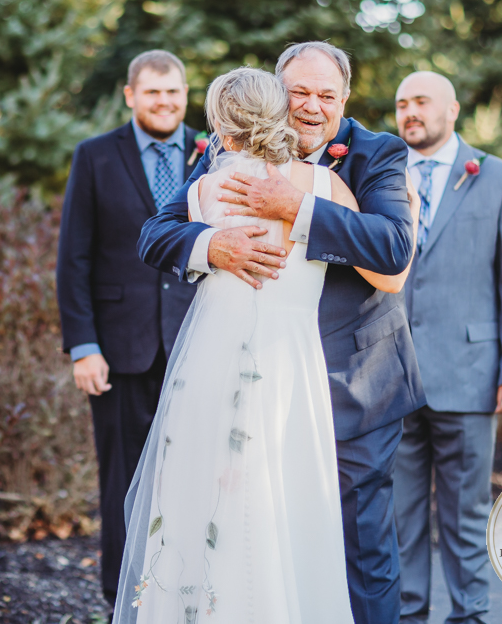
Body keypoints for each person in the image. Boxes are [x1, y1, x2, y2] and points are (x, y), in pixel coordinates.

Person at [138, 41, 426, 624]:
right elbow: (155, 233)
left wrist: (298, 206)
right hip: (253, 386)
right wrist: (211, 246)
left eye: (327, 95)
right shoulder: (227, 149)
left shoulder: (379, 154)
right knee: (258, 534)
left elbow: (395, 252)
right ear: (276, 93)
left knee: (359, 543)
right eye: (299, 92)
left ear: (345, 99)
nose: (313, 106)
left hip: (354, 383)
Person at [392, 72, 502, 624]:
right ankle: (408, 615)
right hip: (394, 377)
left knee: (465, 514)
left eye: (421, 102)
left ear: (451, 110)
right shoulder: (379, 176)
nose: (410, 112)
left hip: (472, 373)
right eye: (402, 104)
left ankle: (469, 614)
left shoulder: (498, 179)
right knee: (398, 514)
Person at [56, 50, 201, 607]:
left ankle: (185, 596)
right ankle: (123, 600)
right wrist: (84, 345)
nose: (164, 102)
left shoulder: (213, 152)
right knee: (122, 482)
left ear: (186, 94)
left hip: (197, 341)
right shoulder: (95, 156)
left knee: (196, 474)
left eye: (174, 92)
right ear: (130, 95)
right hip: (119, 350)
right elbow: (74, 259)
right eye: (153, 92)